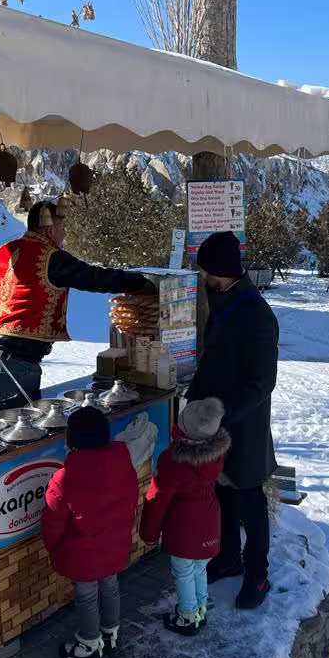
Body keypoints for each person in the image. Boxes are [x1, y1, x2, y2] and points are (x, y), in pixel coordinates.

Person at [0, 199, 155, 407]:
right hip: (16, 361)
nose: (65, 234)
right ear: (50, 230)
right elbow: (94, 277)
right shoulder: (49, 258)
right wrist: (140, 283)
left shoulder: (0, 252)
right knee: (18, 427)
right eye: (63, 228)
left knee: (8, 420)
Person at [186, 231, 279, 610]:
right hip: (216, 422)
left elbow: (262, 383)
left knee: (248, 498)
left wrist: (218, 412)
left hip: (243, 425)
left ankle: (257, 575)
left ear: (219, 271)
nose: (201, 277)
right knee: (221, 491)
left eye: (205, 271)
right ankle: (228, 558)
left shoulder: (255, 314)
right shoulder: (223, 299)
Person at [41, 407, 140, 658]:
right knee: (110, 585)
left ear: (70, 441)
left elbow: (53, 520)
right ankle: (110, 633)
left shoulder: (64, 478)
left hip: (82, 553)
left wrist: (51, 546)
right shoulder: (123, 462)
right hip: (115, 543)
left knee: (86, 594)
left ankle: (88, 643)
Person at [139, 397, 230, 636]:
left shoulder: (173, 461)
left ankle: (188, 616)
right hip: (209, 522)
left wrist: (149, 532)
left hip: (184, 528)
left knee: (183, 572)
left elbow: (158, 500)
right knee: (199, 568)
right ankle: (200, 607)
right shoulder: (216, 456)